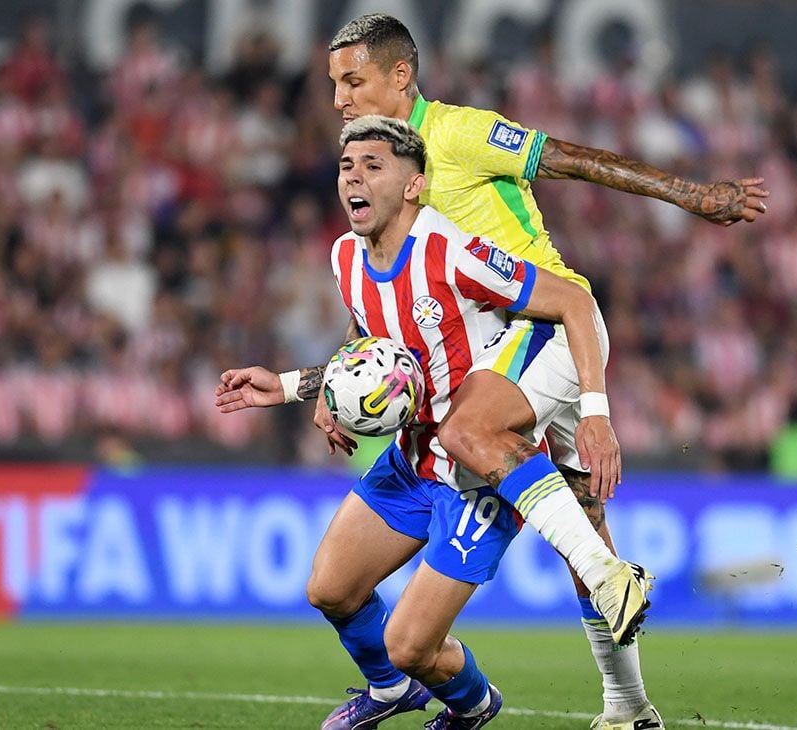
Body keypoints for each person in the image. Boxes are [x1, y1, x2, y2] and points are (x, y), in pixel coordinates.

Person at [317, 14, 768, 729]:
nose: (339, 98)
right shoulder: (384, 166)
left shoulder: (459, 134)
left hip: (547, 326)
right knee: (582, 516)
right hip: (504, 354)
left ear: (399, 76)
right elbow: (391, 286)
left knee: (474, 433)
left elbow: (567, 158)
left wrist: (690, 195)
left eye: (352, 81)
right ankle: (629, 706)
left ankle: (603, 600)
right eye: (335, 85)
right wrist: (339, 375)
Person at [216, 116, 643, 729]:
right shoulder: (345, 258)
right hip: (412, 457)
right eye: (346, 167)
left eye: (372, 166)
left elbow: (573, 301)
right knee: (330, 589)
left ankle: (472, 706)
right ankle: (393, 693)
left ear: (414, 185)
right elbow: (376, 343)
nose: (354, 179)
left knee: (411, 645)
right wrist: (296, 386)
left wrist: (594, 415)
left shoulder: (452, 252)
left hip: (479, 472)